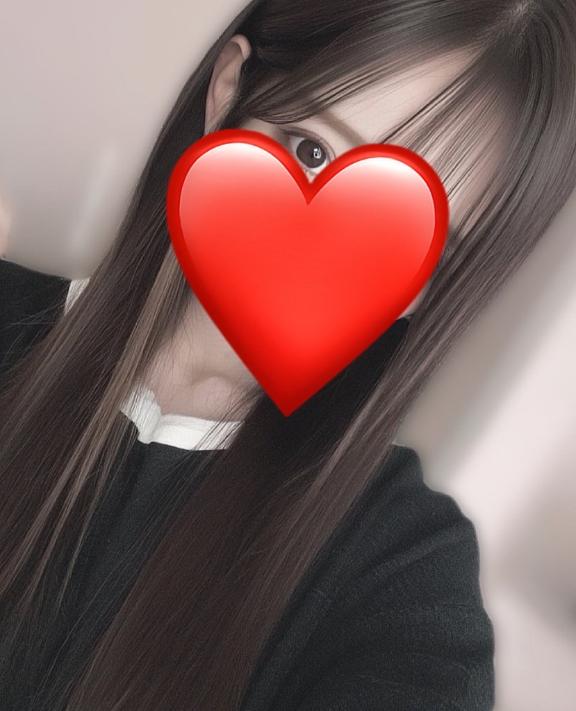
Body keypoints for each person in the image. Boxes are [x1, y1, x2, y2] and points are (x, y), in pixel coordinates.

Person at [1, 0, 575, 708]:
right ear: (228, 92)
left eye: (417, 236)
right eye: (312, 152)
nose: (322, 253)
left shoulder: (403, 573)